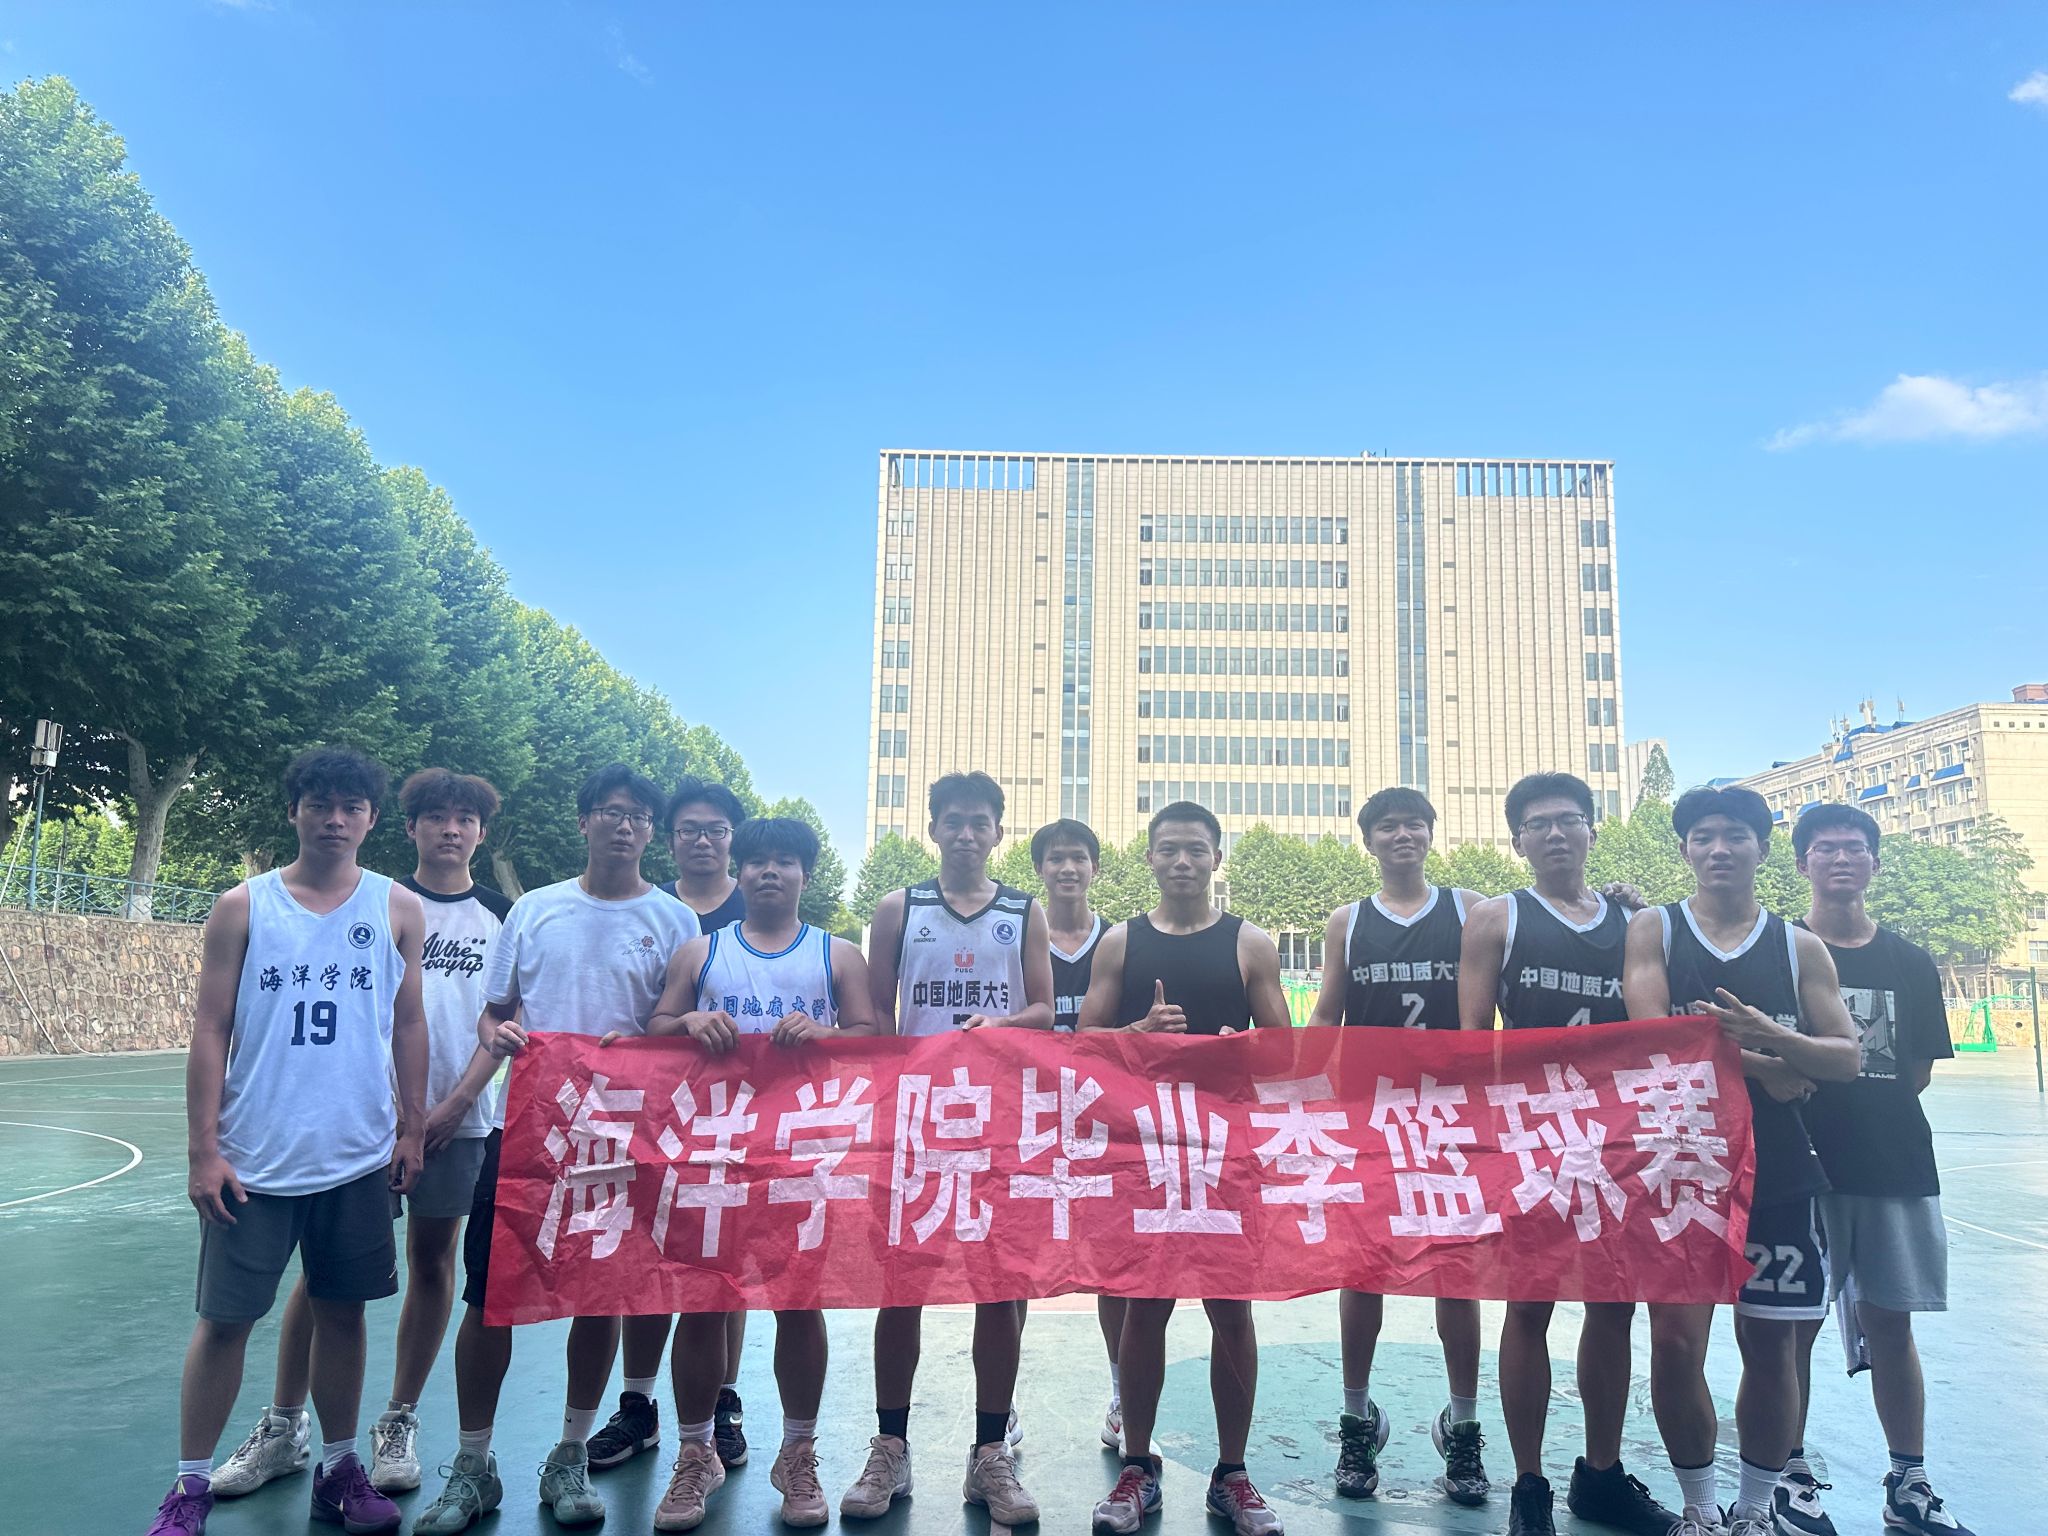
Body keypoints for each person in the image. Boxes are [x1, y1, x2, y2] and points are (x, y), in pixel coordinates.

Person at [143, 746, 428, 1536]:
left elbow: (409, 1023)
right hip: (254, 1160)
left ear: (372, 819)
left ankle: (338, 1468)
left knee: (343, 1314)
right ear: (294, 811)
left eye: (350, 807)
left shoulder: (399, 908)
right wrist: (203, 1150)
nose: (334, 819)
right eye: (319, 804)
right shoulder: (243, 907)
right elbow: (210, 1029)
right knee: (224, 1322)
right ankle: (188, 1486)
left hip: (357, 1156)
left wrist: (412, 1127)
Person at [409, 765, 700, 1535]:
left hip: (623, 1139)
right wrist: (498, 1035)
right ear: (584, 821)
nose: (625, 825)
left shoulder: (676, 921)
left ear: (651, 831)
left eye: (639, 816)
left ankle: (570, 1452)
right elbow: (493, 1014)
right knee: (488, 1298)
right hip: (529, 1133)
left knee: (597, 1297)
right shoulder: (535, 909)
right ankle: (473, 1465)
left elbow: (680, 1026)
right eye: (611, 811)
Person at [210, 769, 512, 1503]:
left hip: (459, 1121)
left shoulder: (504, 916)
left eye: (465, 819)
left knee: (434, 1263)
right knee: (322, 1278)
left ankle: (398, 1419)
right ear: (405, 827)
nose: (450, 829)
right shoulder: (373, 899)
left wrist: (450, 1105)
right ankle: (284, 1424)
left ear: (481, 832)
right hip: (361, 1126)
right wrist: (405, 1115)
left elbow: (505, 1019)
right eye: (435, 816)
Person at [617, 814, 881, 1530]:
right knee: (702, 1302)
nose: (770, 872)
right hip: (714, 1152)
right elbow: (656, 1028)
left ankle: (798, 1453)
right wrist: (687, 1023)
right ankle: (695, 1452)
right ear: (739, 872)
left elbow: (871, 1037)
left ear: (805, 875)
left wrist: (826, 1033)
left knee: (799, 1303)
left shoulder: (837, 954)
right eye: (758, 861)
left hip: (803, 1154)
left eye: (785, 861)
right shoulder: (701, 952)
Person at [1621, 785, 1858, 1536]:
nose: (1719, 849)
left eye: (1735, 836)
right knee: (1675, 1343)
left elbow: (1846, 1056)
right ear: (1685, 849)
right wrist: (1768, 1066)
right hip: (1680, 1167)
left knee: (1772, 1345)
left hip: (1777, 1170)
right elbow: (1654, 1042)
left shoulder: (1798, 946)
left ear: (1761, 848)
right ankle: (1698, 1508)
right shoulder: (1656, 930)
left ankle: (1754, 1509)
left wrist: (1769, 1038)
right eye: (1704, 836)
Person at [1456, 773, 1676, 1536]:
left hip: (1616, 1138)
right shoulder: (1497, 917)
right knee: (1528, 1305)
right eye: (1538, 824)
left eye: (1569, 820)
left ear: (1592, 830)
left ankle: (1601, 1474)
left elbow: (1661, 1026)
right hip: (1532, 1135)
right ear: (1517, 840)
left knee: (1613, 1306)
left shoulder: (1636, 924)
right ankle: (1528, 1484)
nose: (1555, 834)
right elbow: (1471, 1040)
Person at [838, 772, 1053, 1527]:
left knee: (999, 1285)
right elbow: (877, 1014)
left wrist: (1002, 1027)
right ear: (933, 829)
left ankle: (989, 1454)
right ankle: (890, 1447)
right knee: (903, 1284)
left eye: (979, 822)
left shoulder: (1023, 912)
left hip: (997, 1119)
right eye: (953, 821)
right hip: (916, 1120)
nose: (966, 833)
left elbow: (1043, 1008)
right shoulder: (899, 908)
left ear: (998, 832)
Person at [1083, 800, 1293, 1536]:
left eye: (1195, 849)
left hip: (1225, 1150)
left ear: (1215, 858)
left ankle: (1232, 1473)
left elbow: (1284, 1051)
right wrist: (1137, 1032)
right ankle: (1137, 1465)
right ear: (1149, 858)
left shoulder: (1250, 943)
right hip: (1145, 1149)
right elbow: (1082, 1045)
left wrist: (1244, 1049)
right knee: (1146, 1304)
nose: (1181, 861)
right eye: (1168, 848)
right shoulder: (1120, 942)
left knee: (1231, 1308)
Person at [1784, 805, 1975, 1536]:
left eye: (1855, 847)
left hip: (1894, 1164)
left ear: (1874, 862)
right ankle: (1788, 1473)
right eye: (1826, 848)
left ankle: (1909, 1482)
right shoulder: (1782, 952)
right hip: (1803, 1169)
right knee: (1792, 1327)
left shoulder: (1909, 961)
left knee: (1892, 1323)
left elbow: (1916, 1071)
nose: (1842, 858)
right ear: (1801, 862)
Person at [1305, 786, 1490, 1508]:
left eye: (1415, 823)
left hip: (1449, 1117)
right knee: (1363, 1271)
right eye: (1388, 826)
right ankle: (1357, 1420)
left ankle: (1463, 1426)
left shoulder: (1470, 908)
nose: (1403, 834)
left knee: (1456, 1272)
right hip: (1371, 1117)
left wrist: (1622, 903)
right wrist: (1281, 1073)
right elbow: (1326, 1013)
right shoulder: (1349, 921)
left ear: (1431, 834)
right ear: (1370, 841)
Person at [591, 776, 754, 1478]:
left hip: (739, 1113)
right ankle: (638, 1403)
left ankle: (721, 1402)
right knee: (649, 1253)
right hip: (657, 1110)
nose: (702, 840)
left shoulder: (760, 904)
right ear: (670, 836)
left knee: (724, 1259)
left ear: (733, 840)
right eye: (689, 828)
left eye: (716, 829)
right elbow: (646, 1014)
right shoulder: (651, 908)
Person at [1031, 817, 1126, 1450]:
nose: (1068, 868)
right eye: (1056, 858)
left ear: (1095, 867)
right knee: (1010, 1261)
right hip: (1029, 1118)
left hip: (1100, 1121)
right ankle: (1001, 1407)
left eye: (1079, 858)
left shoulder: (1119, 941)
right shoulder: (1019, 934)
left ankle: (1122, 1395)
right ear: (1040, 868)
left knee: (1114, 1264)